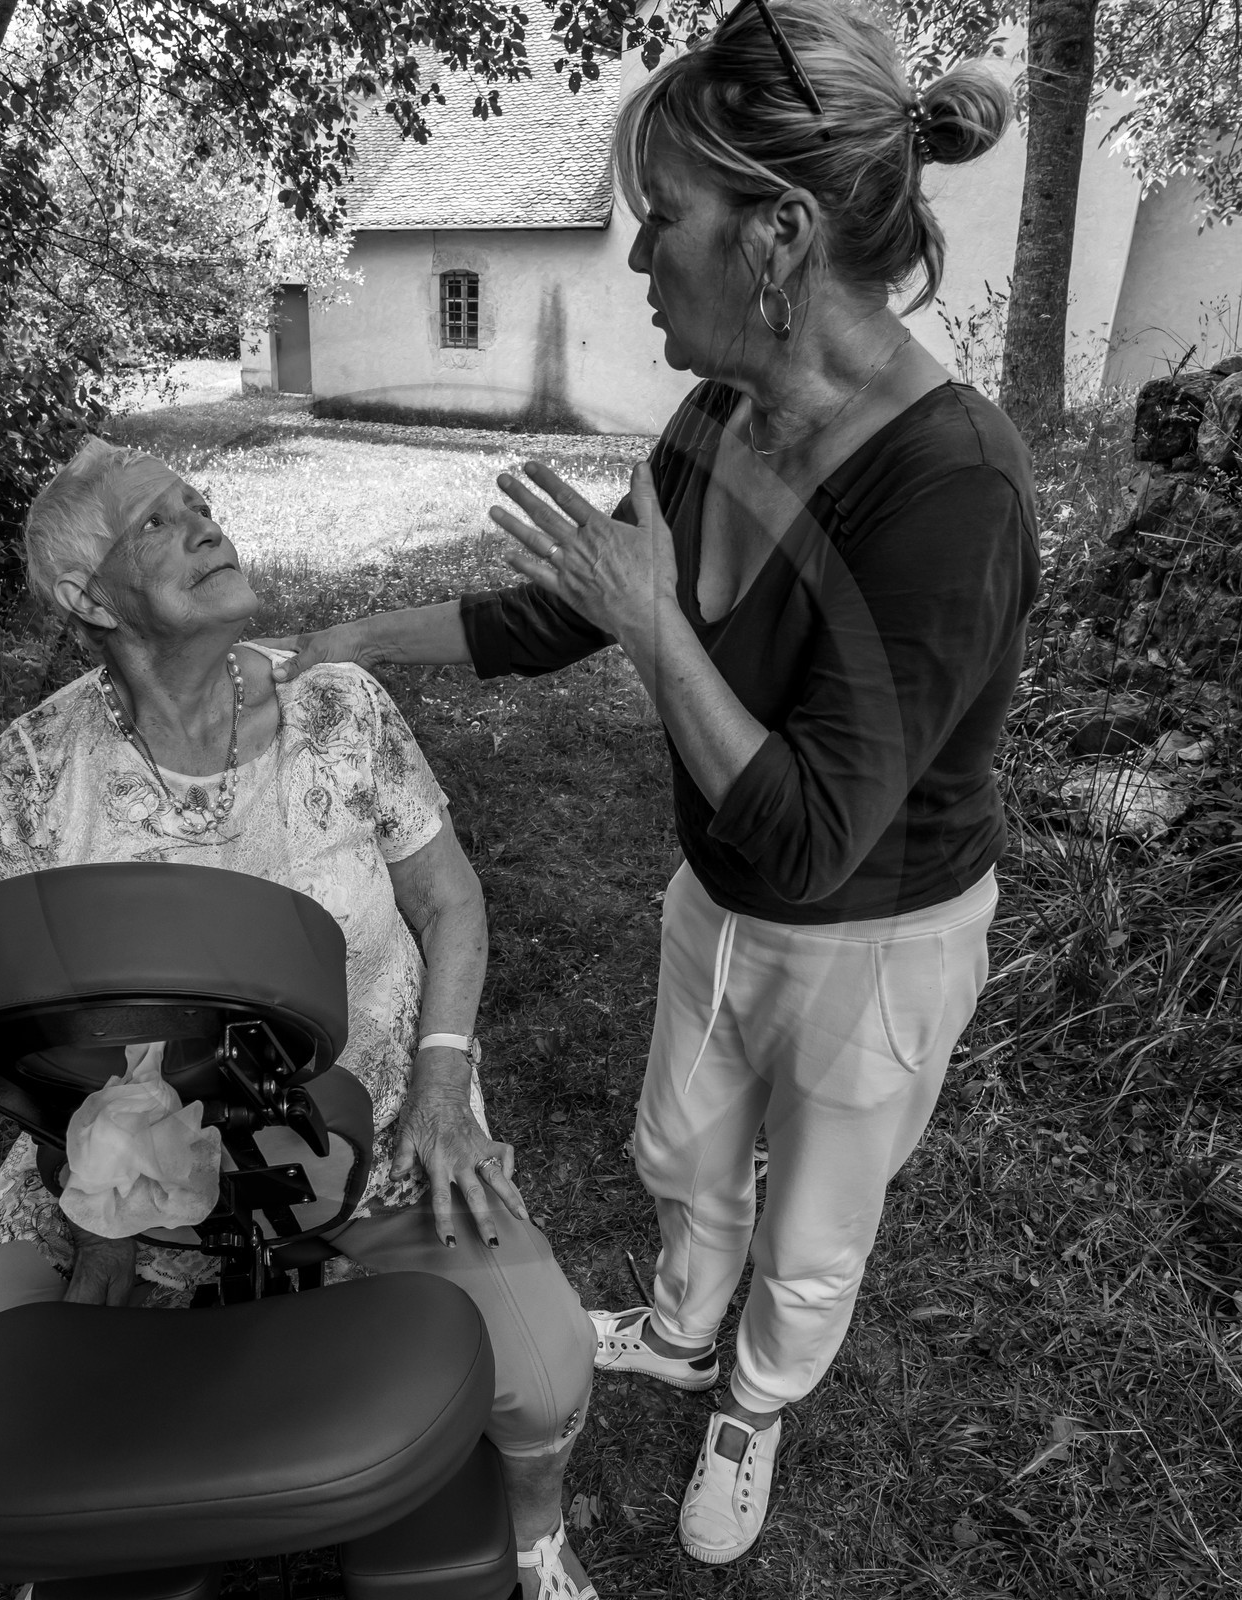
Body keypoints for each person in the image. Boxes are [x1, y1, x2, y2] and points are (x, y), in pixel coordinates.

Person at [269, 0, 1037, 1567]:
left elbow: (815, 835)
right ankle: (686, 1327)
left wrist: (655, 626)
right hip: (723, 894)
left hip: (871, 936)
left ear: (780, 237)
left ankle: (754, 1396)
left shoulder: (952, 488)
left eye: (661, 224)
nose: (636, 263)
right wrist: (343, 631)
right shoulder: (721, 414)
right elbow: (566, 610)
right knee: (686, 1146)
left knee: (815, 1224)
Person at [0, 438, 601, 1600]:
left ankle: (533, 1540)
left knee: (549, 1370)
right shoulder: (25, 772)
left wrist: (444, 1087)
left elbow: (450, 899)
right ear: (83, 596)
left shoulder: (341, 707)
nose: (206, 525)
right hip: (119, 1185)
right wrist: (108, 1226)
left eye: (201, 504)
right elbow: (30, 1035)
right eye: (158, 523)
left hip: (379, 1150)